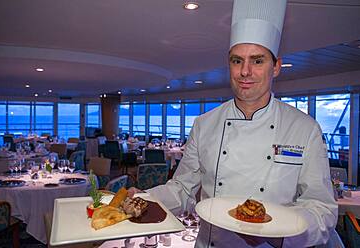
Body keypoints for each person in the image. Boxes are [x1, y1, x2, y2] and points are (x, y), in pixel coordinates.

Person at [129, 0, 337, 247]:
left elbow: (322, 209)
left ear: (277, 67)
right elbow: (183, 189)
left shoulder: (304, 129)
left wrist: (277, 233)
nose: (245, 72)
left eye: (257, 61)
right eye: (237, 61)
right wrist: (144, 197)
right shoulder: (204, 124)